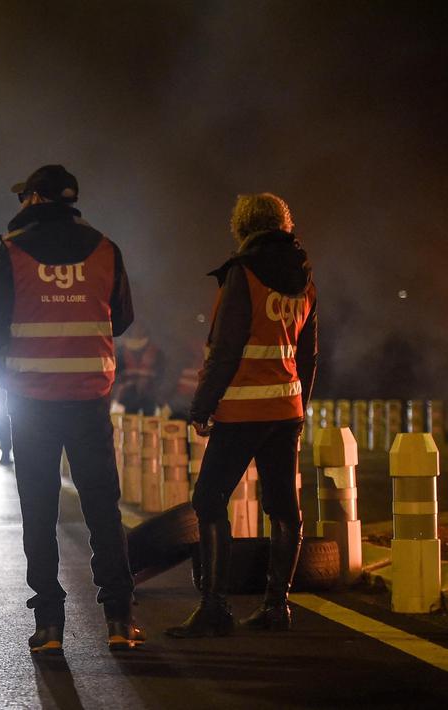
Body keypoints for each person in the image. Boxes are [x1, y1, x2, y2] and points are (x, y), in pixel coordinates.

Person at [0, 163, 144, 654]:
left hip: (32, 403)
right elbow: (122, 318)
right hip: (89, 400)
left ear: (35, 199)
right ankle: (119, 619)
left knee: (39, 510)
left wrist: (7, 379)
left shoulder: (12, 250)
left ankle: (49, 624)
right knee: (102, 508)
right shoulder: (106, 248)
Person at [166, 193, 316, 638]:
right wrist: (299, 409)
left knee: (209, 500)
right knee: (283, 507)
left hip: (242, 409)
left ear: (243, 227)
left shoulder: (243, 272)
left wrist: (201, 406)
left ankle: (215, 608)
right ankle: (277, 606)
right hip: (285, 409)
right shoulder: (304, 277)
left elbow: (225, 349)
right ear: (285, 226)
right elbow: (308, 355)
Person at [114, 322, 165, 415]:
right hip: (126, 399)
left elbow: (161, 376)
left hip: (149, 398)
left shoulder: (157, 353)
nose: (137, 331)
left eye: (140, 328)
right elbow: (115, 376)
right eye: (134, 329)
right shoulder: (120, 352)